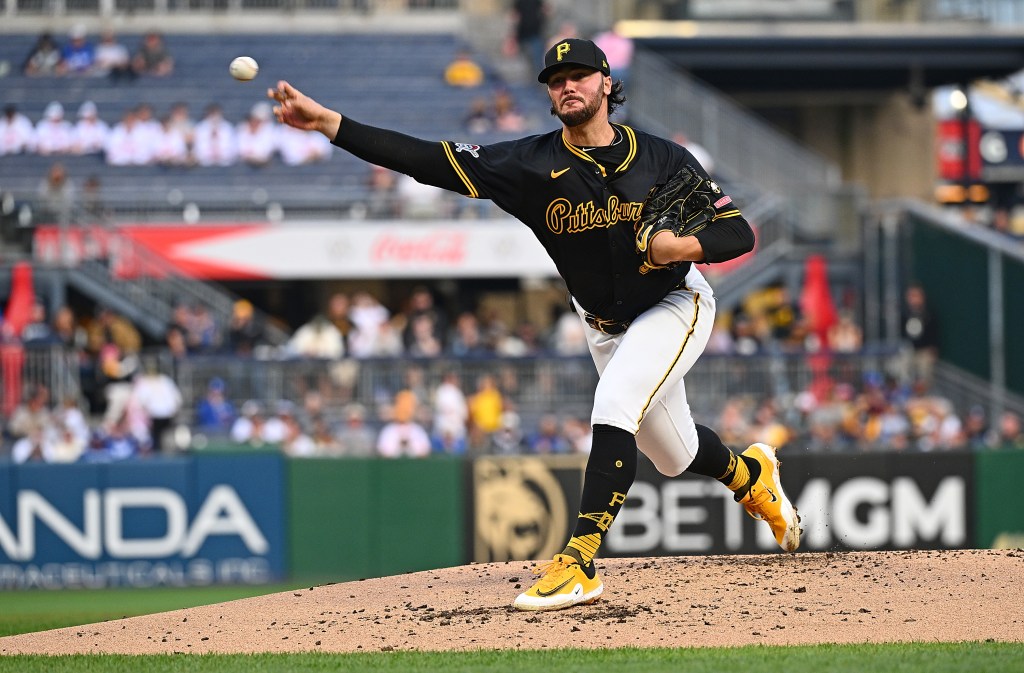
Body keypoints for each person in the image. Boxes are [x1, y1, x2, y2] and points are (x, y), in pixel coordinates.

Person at [268, 37, 799, 612]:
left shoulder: (662, 159)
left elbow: (738, 232)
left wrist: (678, 247)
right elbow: (425, 159)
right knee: (674, 455)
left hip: (675, 303)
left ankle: (578, 562)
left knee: (614, 406)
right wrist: (329, 124)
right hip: (603, 324)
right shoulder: (529, 164)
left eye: (577, 74)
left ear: (605, 82)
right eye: (555, 79)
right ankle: (751, 476)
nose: (566, 85)